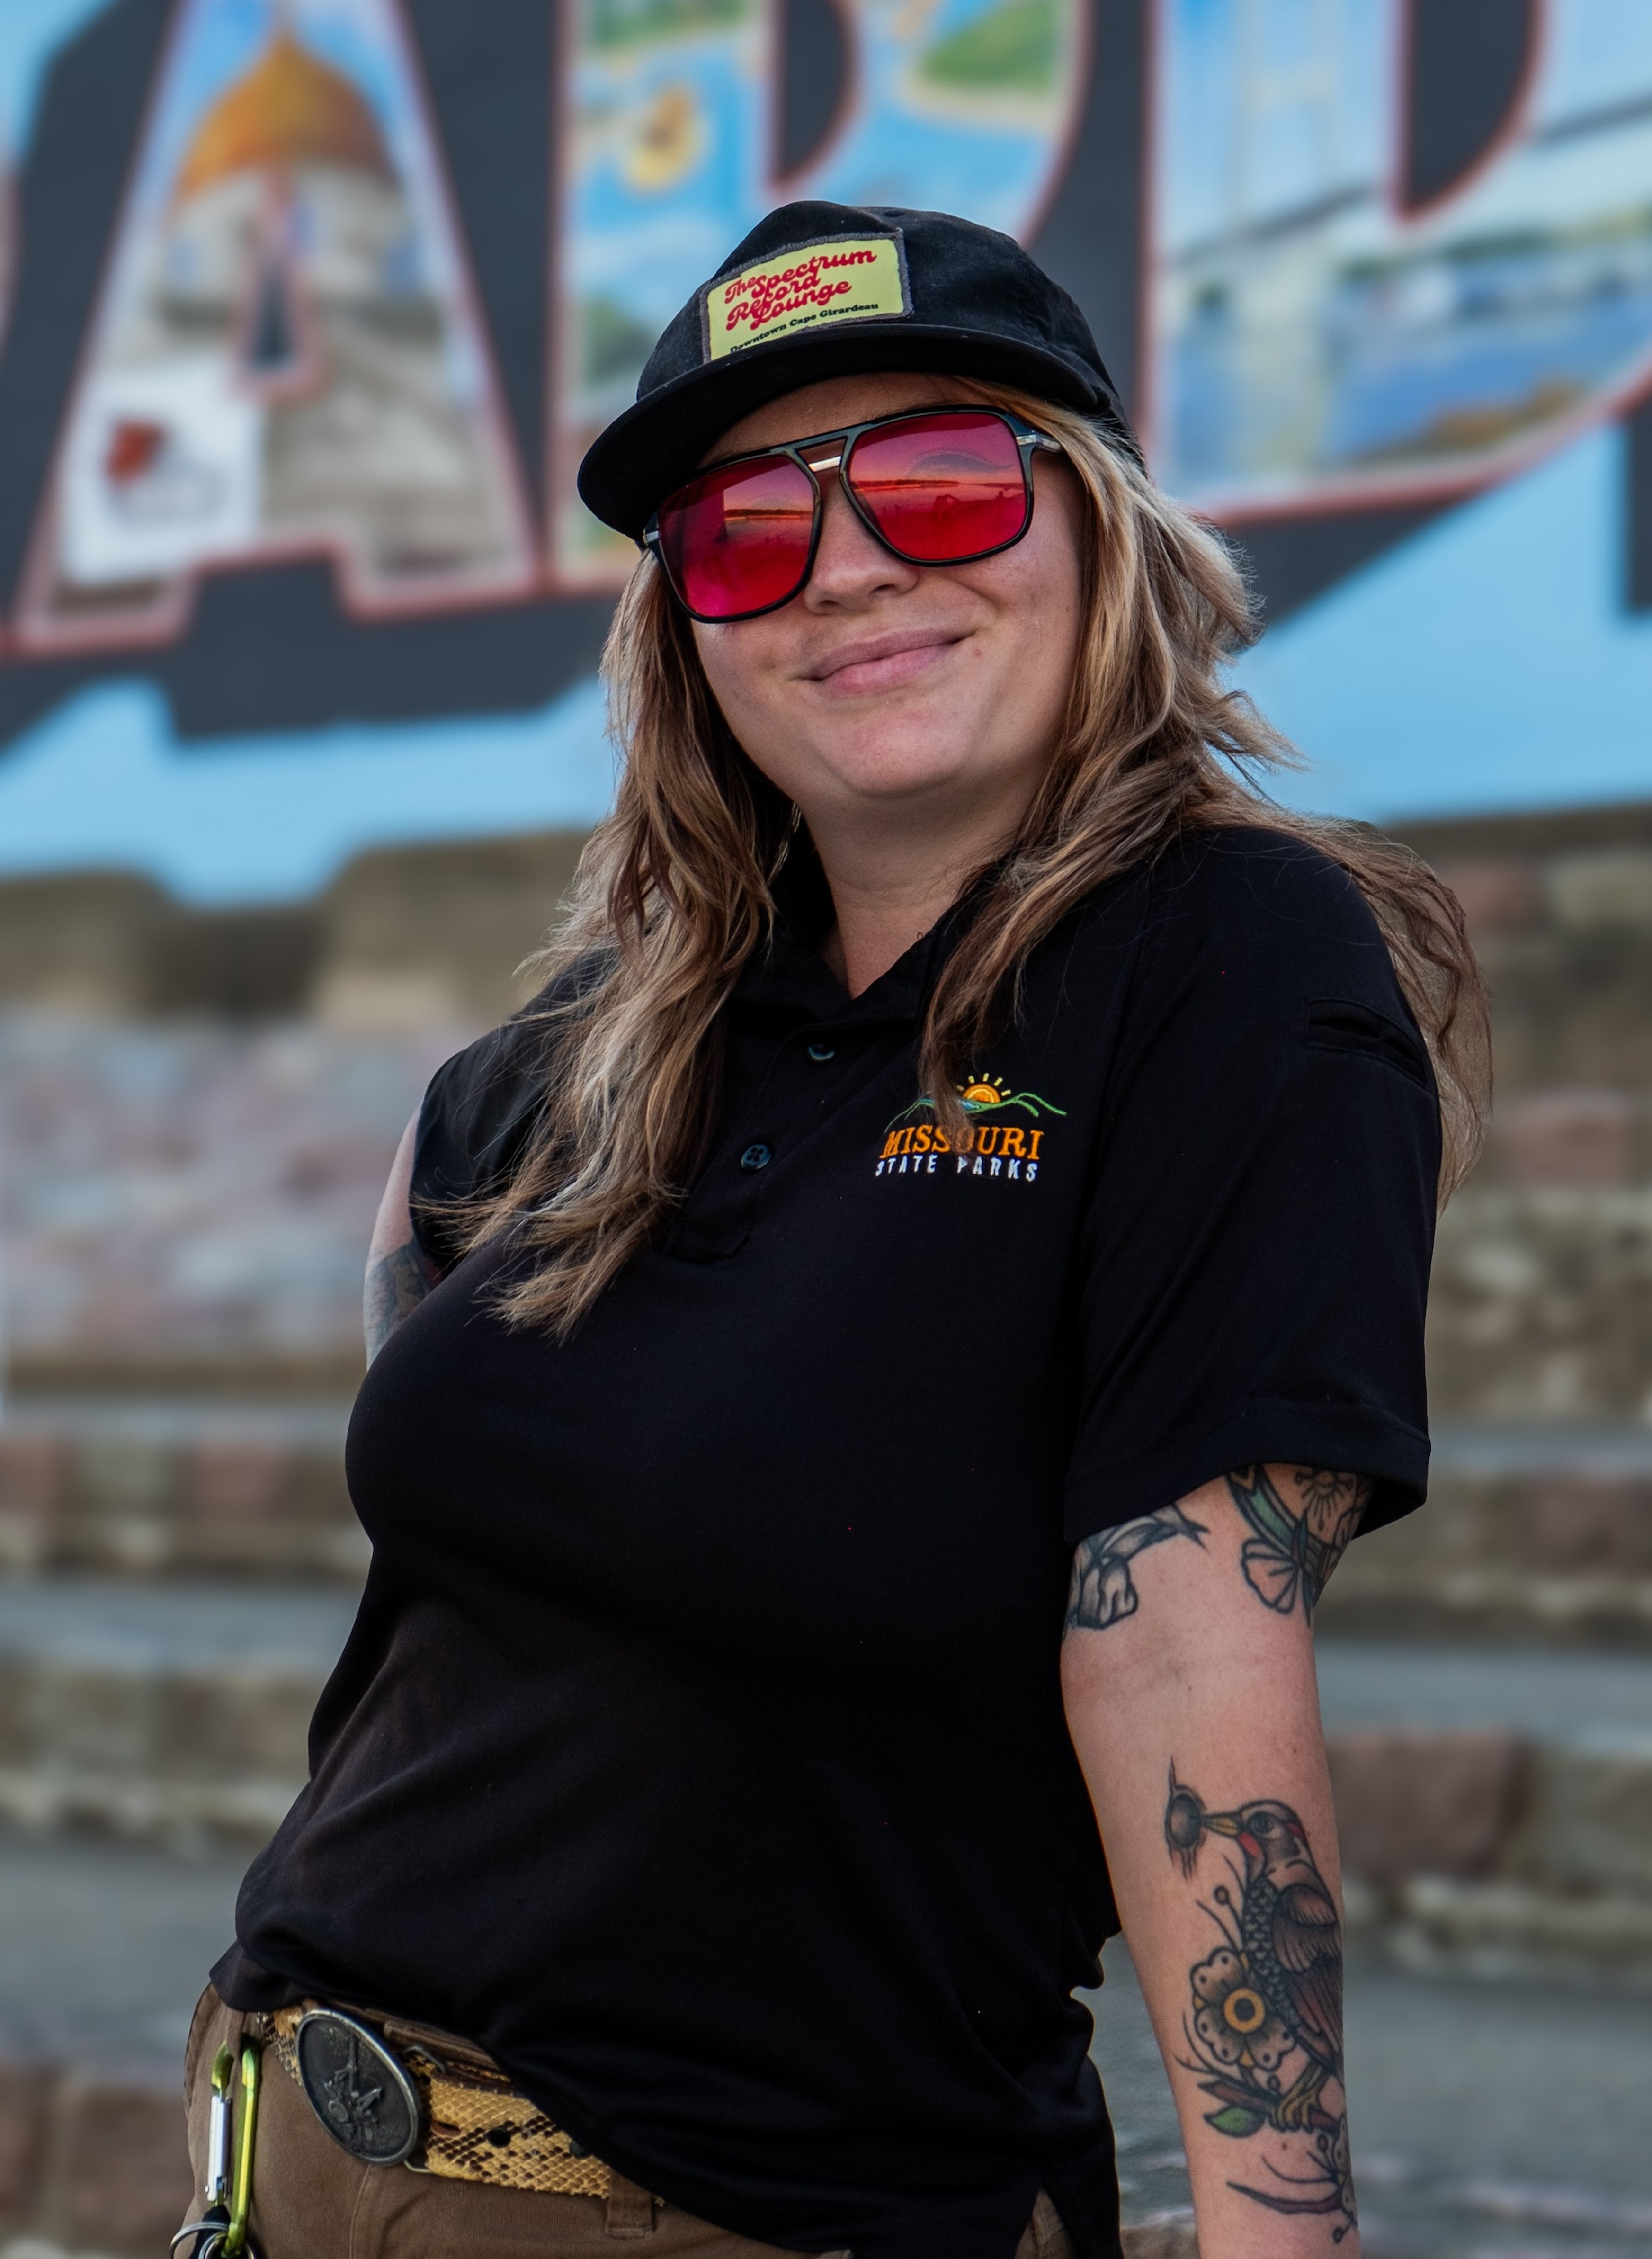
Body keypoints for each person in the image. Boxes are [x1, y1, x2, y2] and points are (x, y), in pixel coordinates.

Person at [183, 201, 1487, 2259]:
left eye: (945, 481)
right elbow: (443, 1468)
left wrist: (1282, 2241)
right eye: (743, 531)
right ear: (684, 623)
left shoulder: (1226, 963)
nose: (852, 563)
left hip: (739, 2203)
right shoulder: (583, 1043)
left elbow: (1181, 1650)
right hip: (295, 2139)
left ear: (1099, 526)